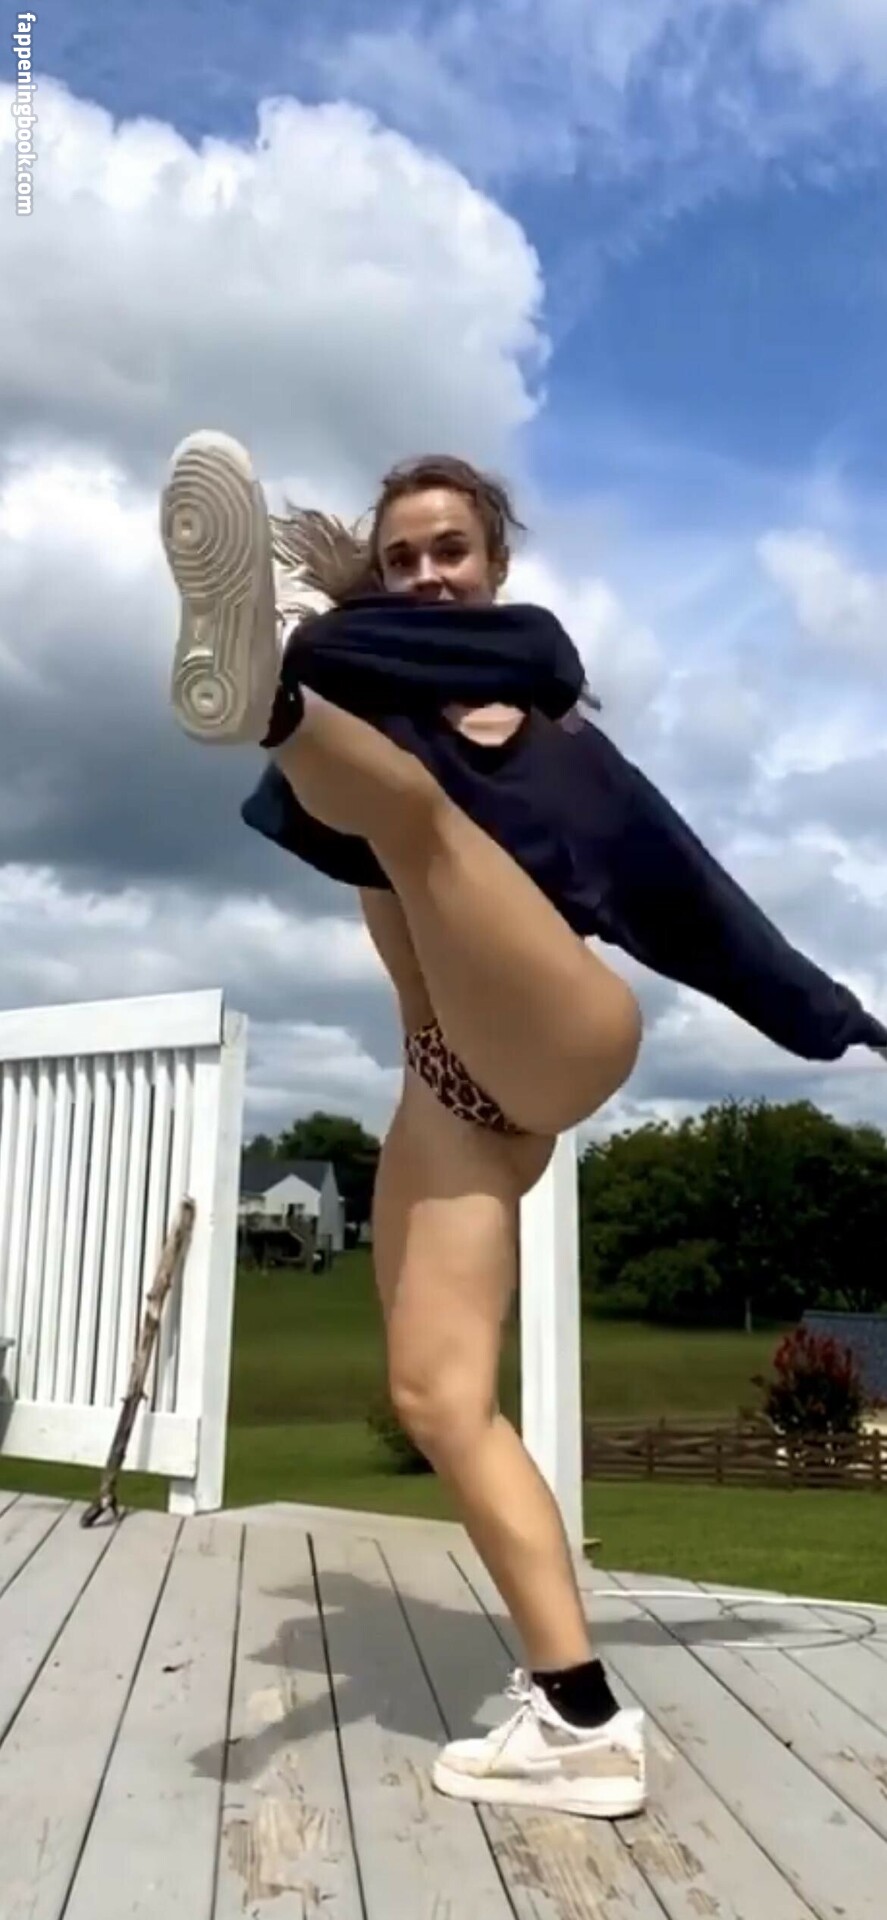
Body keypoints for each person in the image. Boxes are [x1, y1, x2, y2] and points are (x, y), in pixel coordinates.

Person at [159, 429, 885, 1820]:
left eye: (453, 550)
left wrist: (841, 1019)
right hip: (451, 1090)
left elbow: (705, 907)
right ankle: (580, 1719)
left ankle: (259, 698)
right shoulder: (377, 711)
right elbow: (343, 771)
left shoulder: (566, 752)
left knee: (424, 822)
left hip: (563, 1029)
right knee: (437, 1396)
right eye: (403, 558)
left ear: (495, 564)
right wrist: (316, 649)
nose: (429, 573)